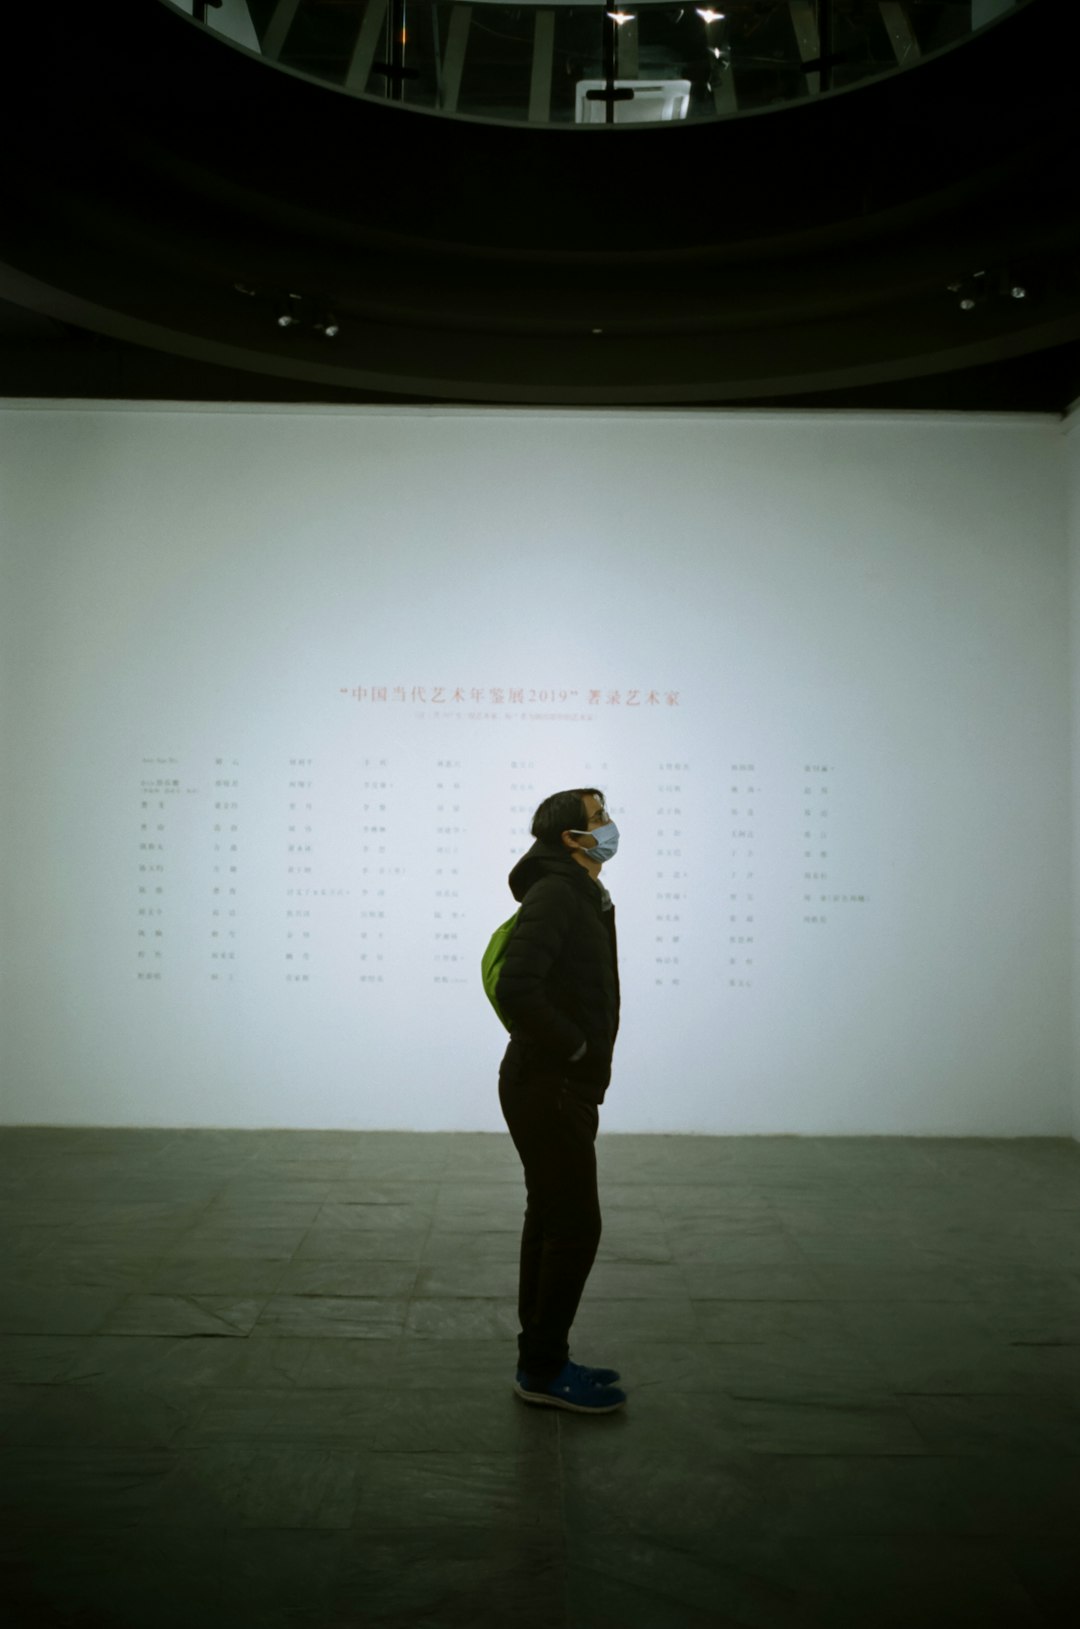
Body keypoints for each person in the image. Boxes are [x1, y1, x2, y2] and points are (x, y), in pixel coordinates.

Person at [496, 786, 626, 1415]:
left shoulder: (581, 893)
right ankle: (544, 1369)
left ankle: (540, 1363)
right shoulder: (557, 893)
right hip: (548, 1084)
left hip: (556, 1084)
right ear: (572, 838)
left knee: (551, 1218)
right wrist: (574, 1048)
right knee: (574, 1224)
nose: (609, 826)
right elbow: (519, 986)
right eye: (599, 819)